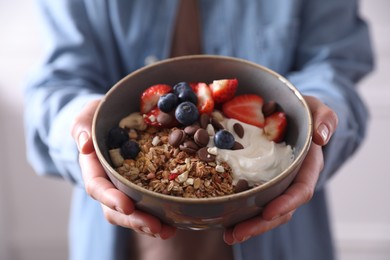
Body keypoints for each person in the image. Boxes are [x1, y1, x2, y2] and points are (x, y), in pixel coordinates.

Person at [24, 0, 373, 259]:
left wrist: (314, 121)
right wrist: (82, 133)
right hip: (122, 235)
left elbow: (335, 64)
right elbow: (58, 83)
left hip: (281, 234)